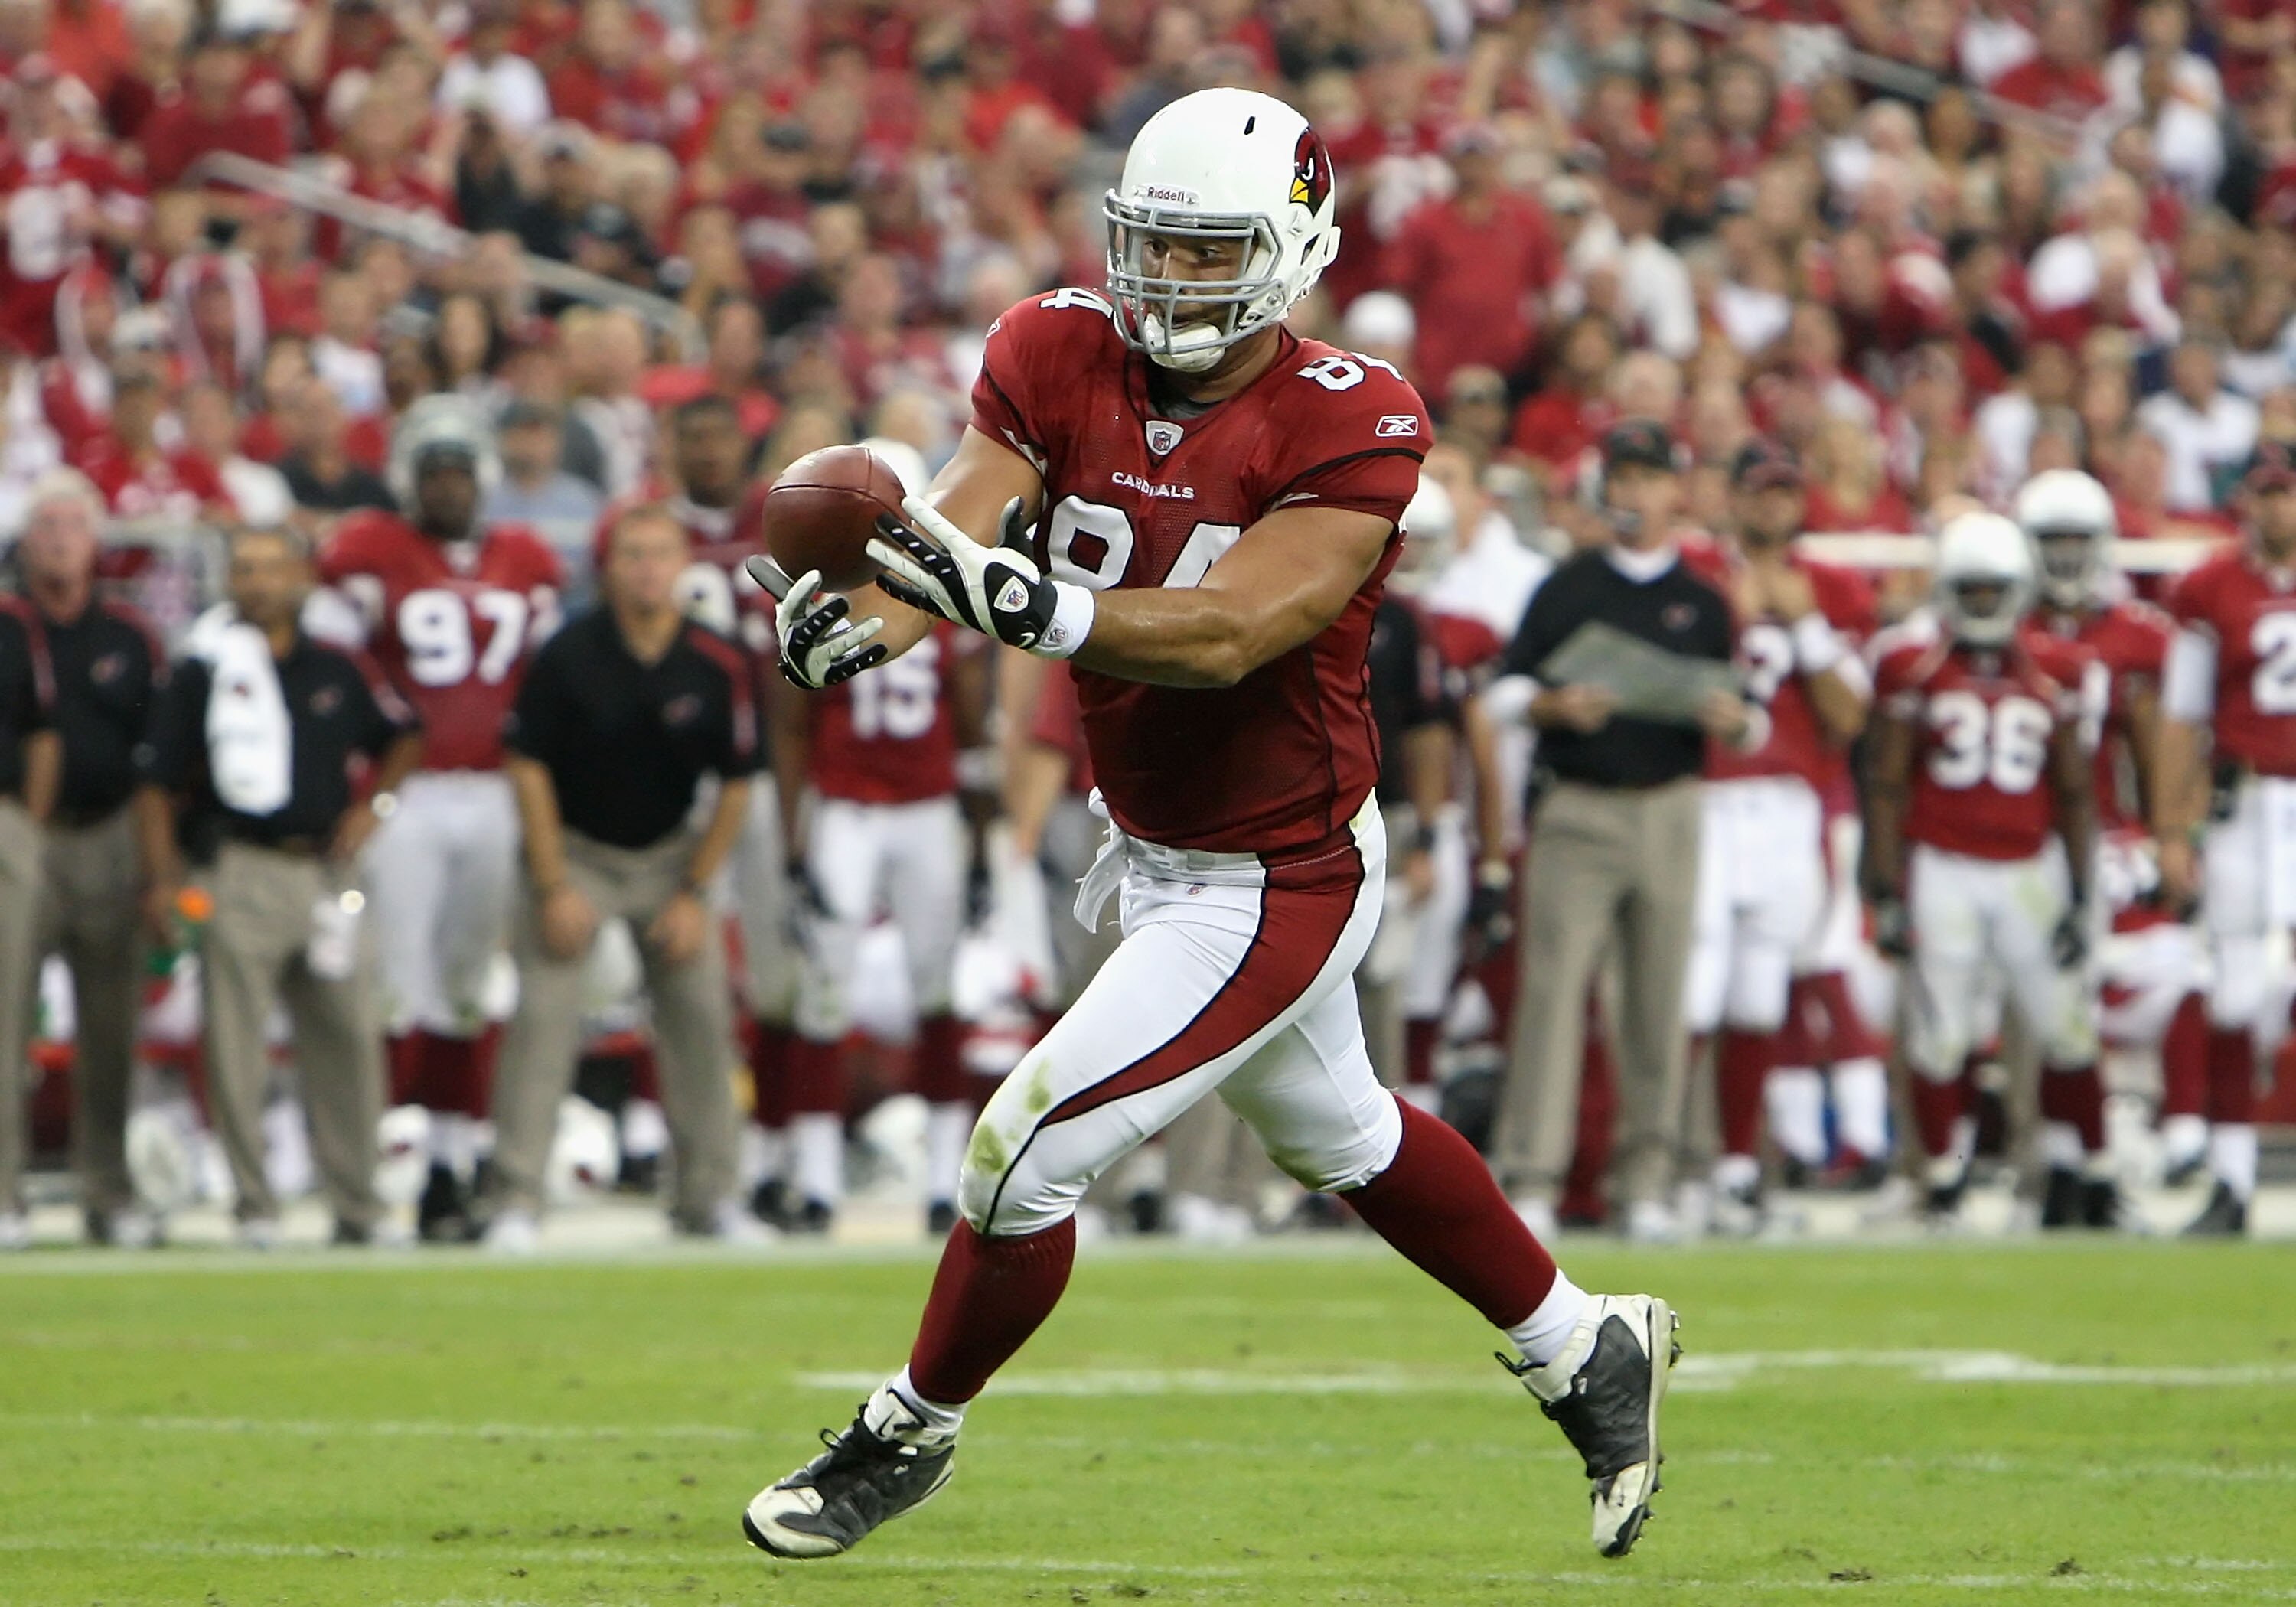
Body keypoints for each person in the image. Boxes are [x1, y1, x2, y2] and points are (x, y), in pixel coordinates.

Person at [746, 88, 1678, 1566]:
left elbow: (1234, 630)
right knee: (1348, 1136)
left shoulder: (1355, 413)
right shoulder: (1054, 346)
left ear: (1295, 246)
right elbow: (966, 516)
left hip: (1276, 874)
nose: (1169, 285)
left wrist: (1017, 605)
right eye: (1154, 250)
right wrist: (869, 613)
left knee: (1020, 1152)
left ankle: (903, 1433)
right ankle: (1586, 1348)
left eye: (1209, 254)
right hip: (1165, 848)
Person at [1485, 419, 1756, 1245]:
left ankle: (1648, 1175)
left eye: (1649, 477)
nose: (1636, 494)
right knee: (1554, 997)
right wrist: (1550, 705)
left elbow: (1748, 713)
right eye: (1624, 478)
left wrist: (1732, 719)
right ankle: (1533, 1172)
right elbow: (1501, 694)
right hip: (1581, 803)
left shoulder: (1704, 600)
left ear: (1675, 487)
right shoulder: (1570, 587)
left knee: (1658, 1000)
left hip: (1672, 804)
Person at [476, 504, 764, 1249]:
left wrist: (696, 891)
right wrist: (550, 885)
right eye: (632, 554)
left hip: (671, 853)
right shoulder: (569, 653)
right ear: (607, 567)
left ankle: (712, 1196)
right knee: (542, 1018)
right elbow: (527, 762)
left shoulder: (717, 659)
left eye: (660, 553)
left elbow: (737, 781)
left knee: (702, 1017)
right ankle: (515, 1199)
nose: (646, 568)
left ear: (683, 564)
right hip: (575, 848)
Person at [316, 395, 563, 1241]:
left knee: (464, 989)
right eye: (437, 473)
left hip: (496, 790)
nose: (451, 488)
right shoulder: (370, 550)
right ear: (408, 480)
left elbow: (548, 682)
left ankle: (448, 1169)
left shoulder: (525, 558)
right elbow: (336, 671)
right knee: (396, 987)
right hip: (407, 795)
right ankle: (381, 1166)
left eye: (462, 472)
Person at [135, 525, 421, 1248]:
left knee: (351, 1037)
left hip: (327, 870)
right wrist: (167, 879)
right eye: (244, 569)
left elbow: (401, 735)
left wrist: (373, 807)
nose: (256, 582)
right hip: (240, 866)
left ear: (300, 578)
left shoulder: (336, 666)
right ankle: (256, 1207)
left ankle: (357, 1205)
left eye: (269, 568)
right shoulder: (203, 667)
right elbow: (156, 781)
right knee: (236, 1046)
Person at [1862, 512, 2102, 1230]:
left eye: (1996, 592)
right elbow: (1886, 783)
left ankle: (2085, 1174)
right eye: (1971, 592)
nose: (1985, 607)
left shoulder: (2055, 668)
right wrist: (1885, 889)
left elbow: (2075, 790)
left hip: (2030, 868)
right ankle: (1942, 1179)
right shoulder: (1916, 668)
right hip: (1946, 866)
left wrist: (2084, 892)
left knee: (2065, 1027)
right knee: (1942, 1032)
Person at [1681, 441, 1871, 1235]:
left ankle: (1734, 1169)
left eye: (1785, 491)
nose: (1772, 506)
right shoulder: (1693, 573)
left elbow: (1850, 716)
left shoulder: (1829, 587)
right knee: (1695, 985)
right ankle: (1676, 1165)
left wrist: (1803, 624)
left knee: (1760, 991)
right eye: (1759, 490)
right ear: (1732, 495)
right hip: (1706, 795)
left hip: (1789, 806)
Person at [768, 617, 990, 1235]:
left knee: (939, 990)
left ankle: (947, 1181)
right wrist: (793, 837)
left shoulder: (941, 603)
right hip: (845, 807)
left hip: (928, 807)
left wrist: (977, 838)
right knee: (824, 990)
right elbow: (790, 724)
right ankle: (816, 1182)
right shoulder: (821, 598)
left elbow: (972, 723)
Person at [2018, 468, 2187, 1224]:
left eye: (2074, 541)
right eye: (2048, 541)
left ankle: (2146, 1143)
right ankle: (2065, 1163)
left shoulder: (2139, 634)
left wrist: (2166, 834)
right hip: (2020, 839)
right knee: (2055, 1007)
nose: (2062, 557)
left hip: (2106, 839)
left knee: (2145, 984)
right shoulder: (2000, 623)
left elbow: (2158, 749)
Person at [16, 469, 165, 1247]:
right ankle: (5, 1195)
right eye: (45, 524)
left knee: (110, 1029)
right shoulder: (7, 626)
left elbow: (157, 759)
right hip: (19, 840)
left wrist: (158, 869)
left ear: (97, 541)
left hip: (108, 833)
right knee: (5, 1024)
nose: (58, 538)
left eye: (72, 523)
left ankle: (107, 1190)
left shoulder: (131, 636)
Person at [2154, 443, 2296, 1236]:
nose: (2277, 508)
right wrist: (2173, 828)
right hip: (2244, 802)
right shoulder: (2209, 588)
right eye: (2266, 493)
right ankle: (2231, 1179)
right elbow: (2181, 717)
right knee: (2235, 991)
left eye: (2288, 492)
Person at [0, 560, 58, 1253]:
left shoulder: (13, 626)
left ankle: (4, 1189)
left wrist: (29, 832)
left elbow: (43, 729)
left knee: (7, 1015)